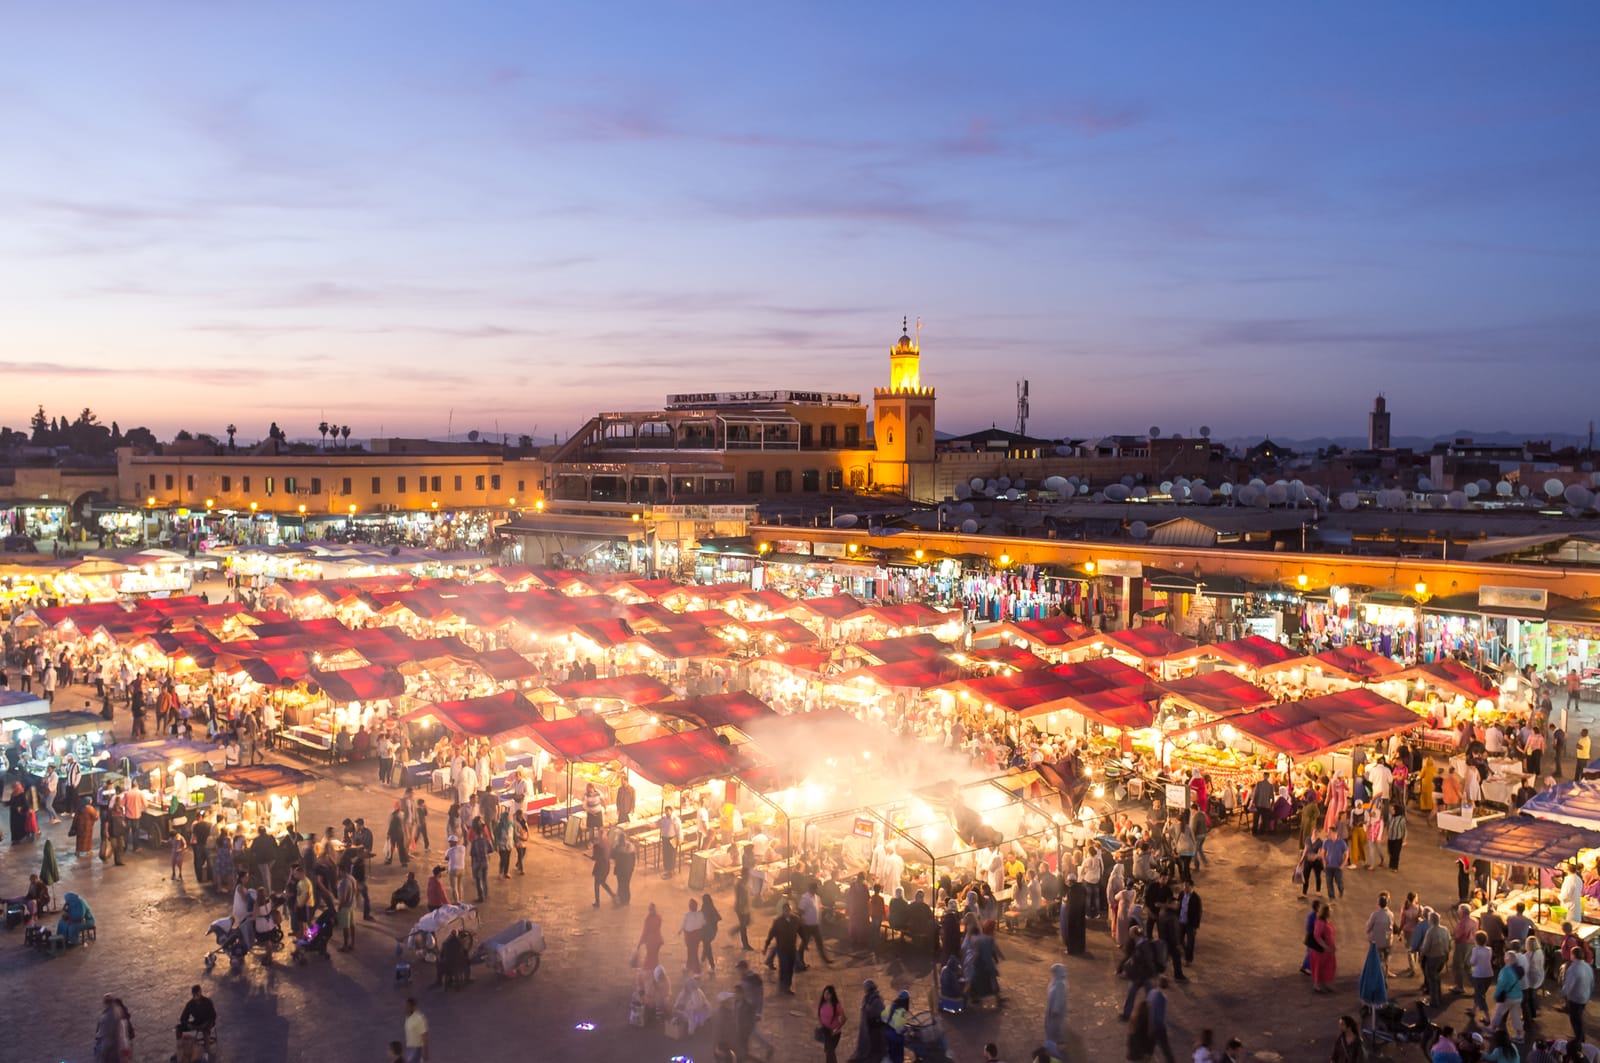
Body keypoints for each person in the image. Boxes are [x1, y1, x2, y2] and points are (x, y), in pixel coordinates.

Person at [765, 901, 802, 994]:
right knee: (783, 967)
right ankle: (782, 987)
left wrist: (804, 941)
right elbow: (771, 934)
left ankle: (787, 987)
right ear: (783, 911)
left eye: (788, 911)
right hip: (782, 949)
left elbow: (801, 931)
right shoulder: (778, 922)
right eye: (785, 911)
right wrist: (766, 945)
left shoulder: (796, 920)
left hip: (792, 949)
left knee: (790, 968)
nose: (787, 913)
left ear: (790, 910)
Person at [1562, 938, 1592, 1045]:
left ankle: (1579, 1039)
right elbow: (1592, 981)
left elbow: (1569, 984)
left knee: (1575, 1019)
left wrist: (1564, 993)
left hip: (1575, 998)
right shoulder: (1587, 966)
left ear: (1573, 955)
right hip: (1584, 996)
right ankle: (1579, 1036)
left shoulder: (1573, 968)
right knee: (1579, 1017)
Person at [1310, 902, 1337, 994]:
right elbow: (1316, 935)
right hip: (1321, 951)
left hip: (1329, 950)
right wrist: (1325, 946)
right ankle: (1316, 984)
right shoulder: (1320, 922)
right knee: (1319, 967)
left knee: (1328, 967)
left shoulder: (1327, 921)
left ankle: (1326, 982)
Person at [94, 994, 128, 1063]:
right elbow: (123, 1034)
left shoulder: (106, 1017)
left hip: (109, 1048)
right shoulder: (119, 1012)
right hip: (117, 1047)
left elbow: (102, 1034)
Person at [818, 984, 846, 1063]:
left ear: (832, 995)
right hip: (825, 1031)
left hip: (834, 1033)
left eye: (828, 994)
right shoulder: (822, 1004)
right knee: (829, 1052)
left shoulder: (836, 1006)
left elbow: (844, 1018)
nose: (826, 996)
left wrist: (836, 1029)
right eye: (825, 993)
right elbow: (820, 1016)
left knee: (830, 1052)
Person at [1178, 879, 1203, 965]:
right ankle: (1186, 953)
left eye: (1187, 886)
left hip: (1190, 924)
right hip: (1181, 921)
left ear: (1192, 887)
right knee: (1179, 940)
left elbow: (1198, 914)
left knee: (1190, 943)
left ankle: (1188, 959)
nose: (1184, 888)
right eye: (1184, 886)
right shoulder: (1181, 894)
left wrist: (1195, 927)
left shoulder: (1196, 898)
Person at [1061, 873, 1087, 955]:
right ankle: (1080, 949)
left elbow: (1069, 903)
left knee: (1071, 932)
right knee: (1080, 932)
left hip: (1072, 915)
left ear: (1070, 882)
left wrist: (1065, 901)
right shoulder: (1082, 889)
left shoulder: (1071, 891)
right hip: (1081, 915)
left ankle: (1071, 950)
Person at [1044, 963, 1068, 1049]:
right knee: (1051, 1027)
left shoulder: (1060, 984)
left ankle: (1053, 1045)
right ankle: (1054, 1042)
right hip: (1051, 1009)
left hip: (1055, 1012)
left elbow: (1059, 999)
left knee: (1053, 1028)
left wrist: (1055, 1010)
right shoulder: (1055, 981)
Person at [636, 902, 665, 971]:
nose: (650, 911)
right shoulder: (659, 917)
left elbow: (645, 932)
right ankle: (655, 971)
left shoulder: (648, 919)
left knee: (650, 957)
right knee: (654, 957)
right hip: (658, 941)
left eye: (650, 909)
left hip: (651, 941)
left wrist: (640, 943)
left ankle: (648, 970)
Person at [682, 897, 706, 976]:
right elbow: (703, 923)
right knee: (693, 951)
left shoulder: (687, 915)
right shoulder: (700, 914)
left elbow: (683, 926)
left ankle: (697, 971)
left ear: (689, 907)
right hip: (697, 936)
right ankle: (688, 966)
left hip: (689, 936)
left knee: (693, 952)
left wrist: (680, 931)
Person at [402, 997, 429, 1063]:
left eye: (408, 1006)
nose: (406, 1008)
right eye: (406, 1006)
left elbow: (424, 1036)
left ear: (413, 1007)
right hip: (409, 1048)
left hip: (417, 1048)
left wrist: (426, 1052)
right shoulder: (408, 1018)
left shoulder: (419, 1018)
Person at [591, 835, 615, 908]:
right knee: (602, 882)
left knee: (596, 885)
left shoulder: (596, 847)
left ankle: (597, 902)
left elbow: (595, 857)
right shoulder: (608, 844)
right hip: (606, 866)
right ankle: (613, 895)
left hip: (599, 867)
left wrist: (592, 857)